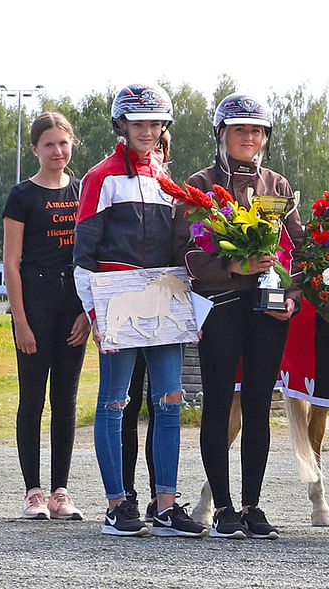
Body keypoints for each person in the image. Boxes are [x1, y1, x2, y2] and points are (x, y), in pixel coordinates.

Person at [74, 83, 205, 538]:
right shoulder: (100, 178)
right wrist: (93, 311)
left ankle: (165, 506)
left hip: (163, 304)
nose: (147, 131)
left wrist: (193, 307)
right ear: (122, 125)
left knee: (171, 400)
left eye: (155, 123)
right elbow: (83, 253)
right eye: (139, 123)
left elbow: (182, 251)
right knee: (114, 402)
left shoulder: (168, 182)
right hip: (117, 300)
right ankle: (116, 506)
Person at [173, 93, 303, 540]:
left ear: (265, 137)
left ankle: (252, 505)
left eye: (256, 131)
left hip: (268, 311)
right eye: (239, 130)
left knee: (258, 407)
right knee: (217, 403)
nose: (248, 138)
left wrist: (293, 294)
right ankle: (223, 508)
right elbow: (184, 251)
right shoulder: (201, 183)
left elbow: (299, 250)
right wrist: (233, 266)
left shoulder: (279, 185)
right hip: (223, 306)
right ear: (222, 134)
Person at [2, 112, 91, 521]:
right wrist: (20, 320)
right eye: (49, 144)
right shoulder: (22, 196)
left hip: (73, 302)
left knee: (66, 400)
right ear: (35, 148)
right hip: (34, 300)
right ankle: (33, 492)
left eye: (63, 143)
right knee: (33, 398)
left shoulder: (83, 191)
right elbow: (12, 262)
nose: (58, 151)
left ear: (72, 145)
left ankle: (60, 491)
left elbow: (92, 257)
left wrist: (87, 314)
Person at [120, 131, 169, 522]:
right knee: (128, 403)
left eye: (162, 148)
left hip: (163, 315)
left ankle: (160, 496)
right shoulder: (119, 186)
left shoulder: (173, 194)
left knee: (161, 406)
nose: (157, 153)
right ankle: (126, 494)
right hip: (128, 306)